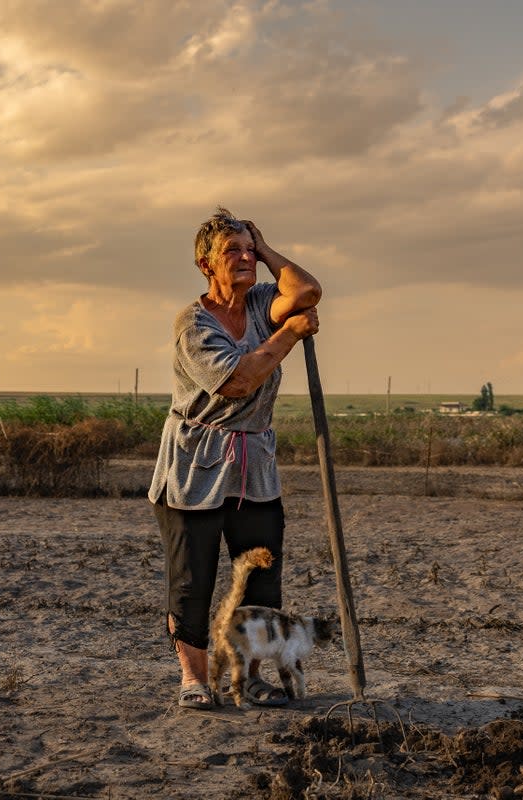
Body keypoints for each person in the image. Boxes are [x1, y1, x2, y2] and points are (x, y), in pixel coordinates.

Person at [149, 206, 321, 711]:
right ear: (206, 265)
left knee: (262, 577)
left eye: (250, 249)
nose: (245, 258)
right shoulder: (193, 323)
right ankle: (195, 679)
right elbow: (237, 381)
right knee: (193, 581)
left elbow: (307, 292)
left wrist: (265, 249)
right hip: (195, 467)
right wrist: (291, 333)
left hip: (255, 466)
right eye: (233, 251)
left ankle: (249, 677)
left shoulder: (264, 300)